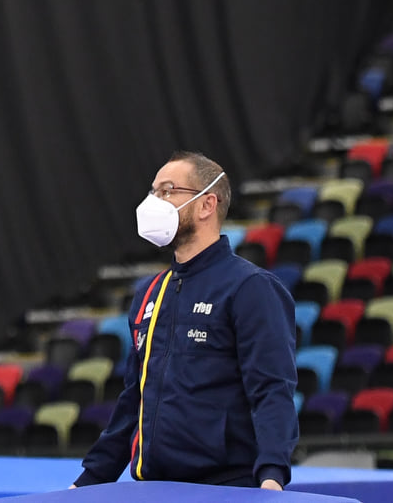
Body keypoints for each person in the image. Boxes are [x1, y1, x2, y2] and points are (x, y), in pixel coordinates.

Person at [74, 152, 299, 490]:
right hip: (153, 487)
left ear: (207, 204)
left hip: (227, 488)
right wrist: (91, 479)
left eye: (167, 190)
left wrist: (272, 477)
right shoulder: (149, 293)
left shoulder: (250, 288)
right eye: (153, 192)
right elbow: (135, 398)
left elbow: (272, 389)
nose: (154, 202)